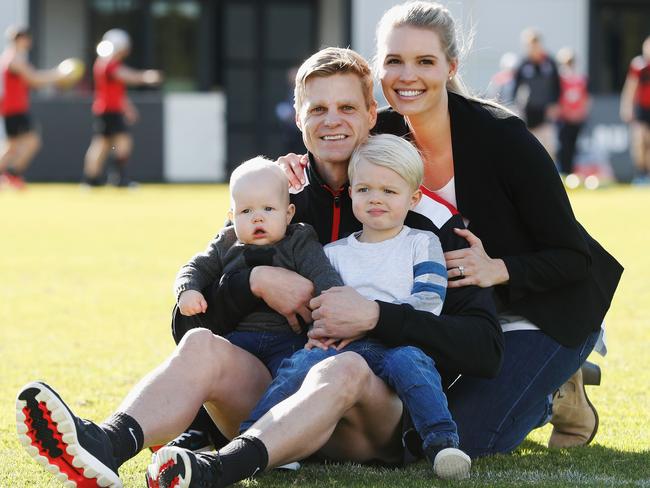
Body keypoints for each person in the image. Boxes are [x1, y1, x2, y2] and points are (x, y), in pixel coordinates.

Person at [144, 5, 624, 486]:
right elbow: (329, 145)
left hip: (546, 303)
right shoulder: (382, 134)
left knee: (473, 438)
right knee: (423, 419)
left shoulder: (501, 136)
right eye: (394, 60)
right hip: (459, 303)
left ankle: (560, 382)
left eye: (424, 62)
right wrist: (288, 171)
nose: (407, 75)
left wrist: (502, 269)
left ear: (451, 67)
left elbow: (573, 257)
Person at [16, 47, 502, 488]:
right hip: (280, 395)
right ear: (298, 117)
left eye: (348, 107)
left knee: (345, 366)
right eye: (318, 109)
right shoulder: (273, 197)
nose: (332, 121)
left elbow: (483, 348)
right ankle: (107, 444)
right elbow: (189, 321)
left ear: (373, 114)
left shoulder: (425, 215)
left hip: (371, 412)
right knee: (203, 346)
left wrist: (379, 317)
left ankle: (223, 467)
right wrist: (253, 281)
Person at [234, 134, 470, 480]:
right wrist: (319, 331)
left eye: (389, 191)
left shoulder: (423, 243)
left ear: (414, 197)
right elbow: (321, 304)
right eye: (364, 190)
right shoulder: (335, 252)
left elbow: (429, 302)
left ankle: (441, 443)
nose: (376, 199)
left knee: (414, 364)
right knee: (300, 364)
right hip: (341, 346)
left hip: (397, 343)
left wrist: (371, 319)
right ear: (352, 193)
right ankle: (254, 435)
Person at [175, 155, 342, 380]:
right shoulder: (226, 242)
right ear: (231, 217)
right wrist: (188, 290)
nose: (257, 218)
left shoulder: (299, 241)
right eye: (246, 211)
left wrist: (327, 323)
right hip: (239, 339)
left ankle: (278, 411)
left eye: (269, 209)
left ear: (288, 213)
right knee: (206, 365)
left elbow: (324, 277)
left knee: (295, 373)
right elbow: (196, 266)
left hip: (289, 340)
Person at [82, 28, 162, 187]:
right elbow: (125, 75)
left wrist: (127, 108)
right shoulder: (107, 63)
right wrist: (146, 77)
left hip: (110, 110)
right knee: (117, 143)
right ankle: (113, 178)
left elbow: (118, 93)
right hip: (108, 111)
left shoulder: (109, 63)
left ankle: (96, 179)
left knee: (105, 144)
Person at [0, 26, 68, 189]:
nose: (29, 41)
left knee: (11, 146)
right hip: (14, 108)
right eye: (26, 38)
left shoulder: (12, 57)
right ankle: (12, 174)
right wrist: (59, 75)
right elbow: (34, 79)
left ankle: (11, 174)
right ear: (18, 40)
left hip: (13, 108)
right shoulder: (14, 59)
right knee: (32, 142)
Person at [513, 28, 561, 160]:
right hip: (529, 111)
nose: (533, 48)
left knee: (549, 149)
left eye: (535, 44)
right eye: (530, 45)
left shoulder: (550, 63)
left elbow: (557, 86)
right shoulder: (523, 64)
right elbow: (516, 88)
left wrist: (555, 104)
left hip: (546, 111)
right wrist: (517, 107)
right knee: (529, 148)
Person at [556, 47, 591, 176]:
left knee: (574, 148)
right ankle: (562, 172)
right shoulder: (559, 79)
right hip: (563, 119)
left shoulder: (581, 79)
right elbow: (557, 99)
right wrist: (565, 113)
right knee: (562, 147)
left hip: (577, 119)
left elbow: (585, 98)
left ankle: (570, 173)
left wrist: (581, 113)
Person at [620, 35, 650, 185]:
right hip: (642, 109)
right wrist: (627, 107)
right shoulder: (639, 66)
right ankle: (641, 174)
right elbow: (631, 87)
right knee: (639, 141)